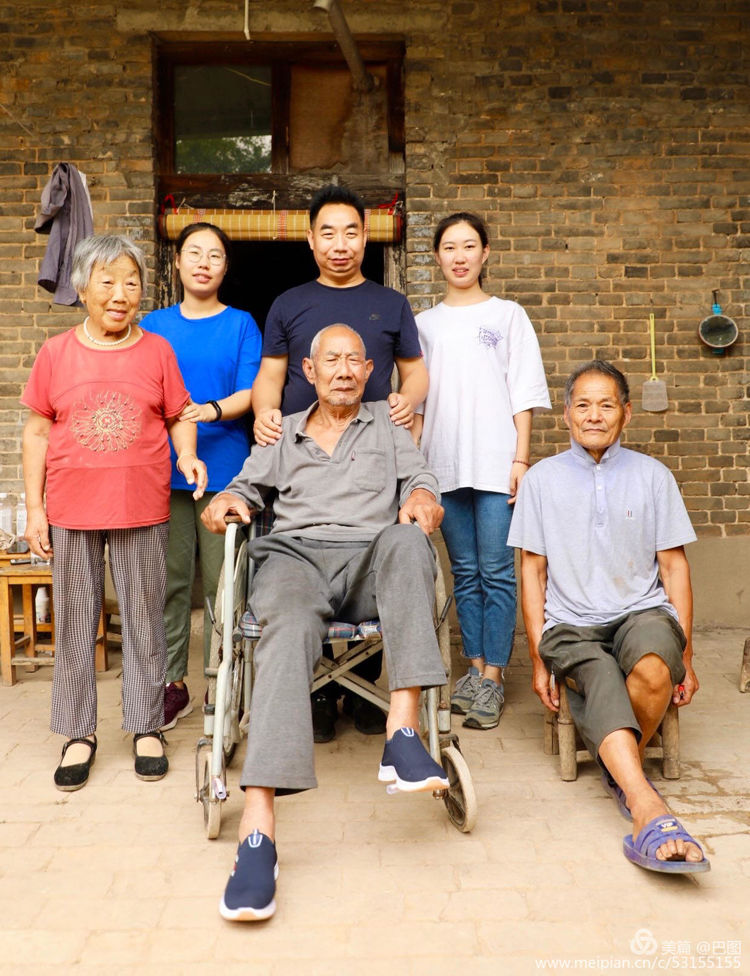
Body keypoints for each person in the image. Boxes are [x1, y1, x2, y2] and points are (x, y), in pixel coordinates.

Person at [201, 325, 449, 921]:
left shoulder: (389, 429)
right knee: (283, 629)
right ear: (307, 372)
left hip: (369, 561)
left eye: (353, 361)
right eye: (329, 360)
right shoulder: (282, 433)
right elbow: (242, 489)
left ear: (369, 372)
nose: (342, 370)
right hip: (294, 560)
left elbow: (421, 482)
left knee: (409, 542)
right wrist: (224, 503)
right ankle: (258, 835)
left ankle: (402, 733)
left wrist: (421, 501)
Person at [507, 360, 710, 874]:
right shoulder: (541, 481)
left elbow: (673, 566)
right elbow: (532, 572)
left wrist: (685, 652)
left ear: (626, 412)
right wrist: (535, 657)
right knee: (598, 673)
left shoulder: (653, 477)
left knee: (654, 667)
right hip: (569, 624)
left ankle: (618, 767)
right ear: (567, 416)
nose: (593, 415)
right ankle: (647, 806)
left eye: (605, 405)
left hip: (639, 610)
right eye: (582, 405)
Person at [21, 234, 207, 791]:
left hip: (142, 505)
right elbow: (36, 431)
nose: (121, 293)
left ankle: (146, 726)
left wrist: (190, 454)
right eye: (108, 281)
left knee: (146, 618)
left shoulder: (157, 351)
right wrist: (35, 509)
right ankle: (79, 732)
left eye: (131, 281)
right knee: (76, 622)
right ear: (82, 289)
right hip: (72, 510)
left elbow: (179, 414)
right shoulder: (55, 353)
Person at [251, 183, 429, 741]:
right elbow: (271, 379)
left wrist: (407, 399)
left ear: (365, 237)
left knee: (382, 547)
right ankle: (323, 694)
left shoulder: (391, 301)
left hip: (369, 446)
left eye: (351, 231)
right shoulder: (288, 302)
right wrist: (264, 417)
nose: (340, 243)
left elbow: (415, 370)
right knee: (301, 574)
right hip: (304, 454)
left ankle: (373, 691)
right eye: (327, 232)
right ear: (310, 240)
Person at [414, 212, 550, 730]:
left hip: (496, 464)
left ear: (486, 252)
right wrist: (418, 470)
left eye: (469, 246)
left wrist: (520, 459)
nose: (460, 256)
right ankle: (473, 669)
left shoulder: (509, 316)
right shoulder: (425, 325)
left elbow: (525, 393)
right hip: (443, 464)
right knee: (463, 574)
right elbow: (419, 405)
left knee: (497, 572)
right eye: (450, 247)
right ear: (437, 257)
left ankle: (494, 676)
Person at [141, 222, 261, 730]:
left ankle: (222, 680)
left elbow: (251, 392)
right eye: (194, 252)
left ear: (226, 267)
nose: (204, 262)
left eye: (214, 254)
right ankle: (173, 684)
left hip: (226, 470)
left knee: (223, 583)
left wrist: (207, 412)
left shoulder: (240, 325)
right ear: (177, 262)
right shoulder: (153, 324)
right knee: (169, 582)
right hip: (159, 471)